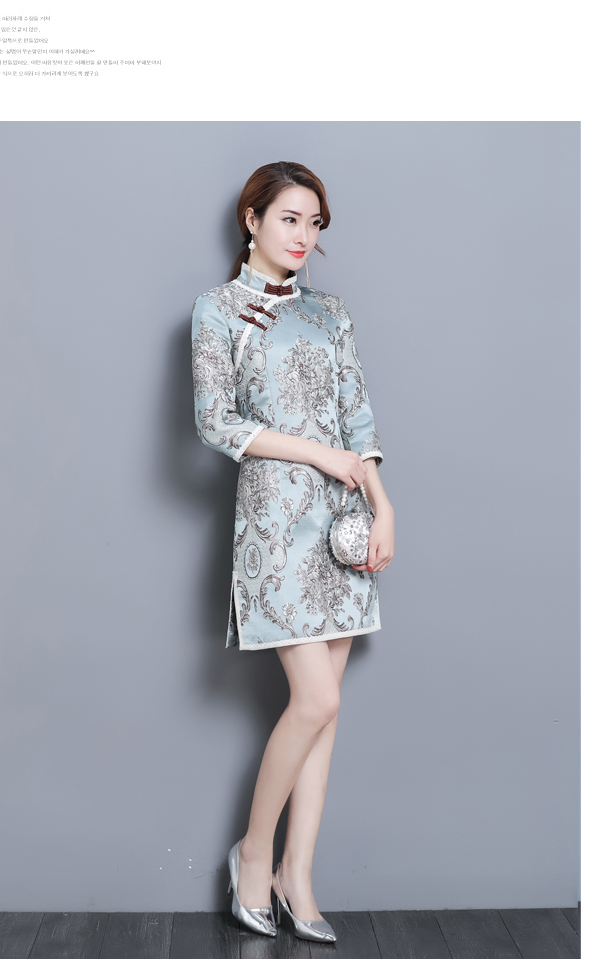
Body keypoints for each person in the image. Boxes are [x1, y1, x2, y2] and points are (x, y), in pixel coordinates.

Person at [190, 161, 395, 943]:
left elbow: (359, 421)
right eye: (289, 218)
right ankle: (252, 853)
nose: (304, 235)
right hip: (275, 528)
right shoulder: (218, 310)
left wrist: (384, 507)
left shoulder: (330, 313)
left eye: (315, 223)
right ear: (252, 219)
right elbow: (216, 422)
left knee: (325, 711)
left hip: (342, 526)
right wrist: (317, 454)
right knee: (317, 701)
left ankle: (296, 874)